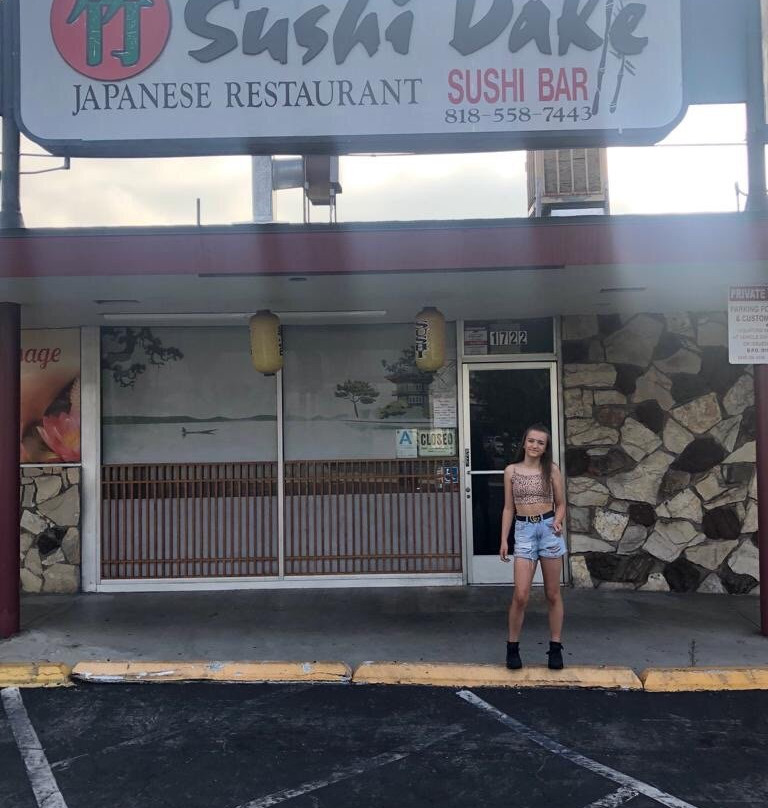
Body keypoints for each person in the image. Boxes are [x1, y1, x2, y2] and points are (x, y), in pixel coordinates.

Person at [499, 423, 567, 670]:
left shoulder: (552, 470)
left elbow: (561, 504)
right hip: (524, 531)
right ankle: (512, 647)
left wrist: (558, 521)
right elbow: (509, 508)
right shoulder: (511, 471)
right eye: (531, 441)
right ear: (524, 443)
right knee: (521, 595)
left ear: (545, 447)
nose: (535, 445)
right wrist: (504, 539)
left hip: (548, 531)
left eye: (540, 442)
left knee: (552, 593)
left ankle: (555, 648)